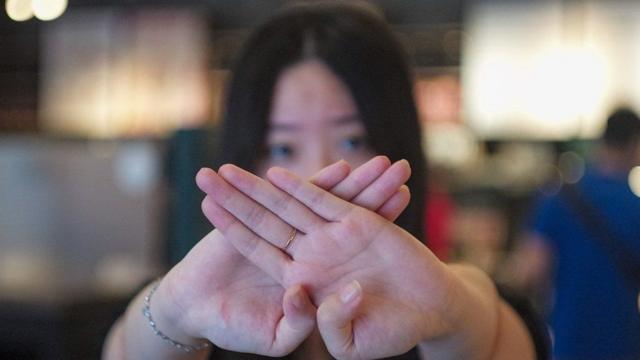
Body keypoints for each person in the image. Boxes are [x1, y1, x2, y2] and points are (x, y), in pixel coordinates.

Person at [103, 3, 547, 359]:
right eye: (281, 149)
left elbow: (493, 339)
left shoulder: (434, 304)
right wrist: (175, 311)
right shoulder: (213, 309)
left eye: (352, 139)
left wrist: (453, 311)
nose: (317, 174)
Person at [510, 108, 640, 359]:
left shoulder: (559, 199)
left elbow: (528, 272)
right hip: (623, 344)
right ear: (634, 143)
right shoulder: (635, 208)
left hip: (568, 340)